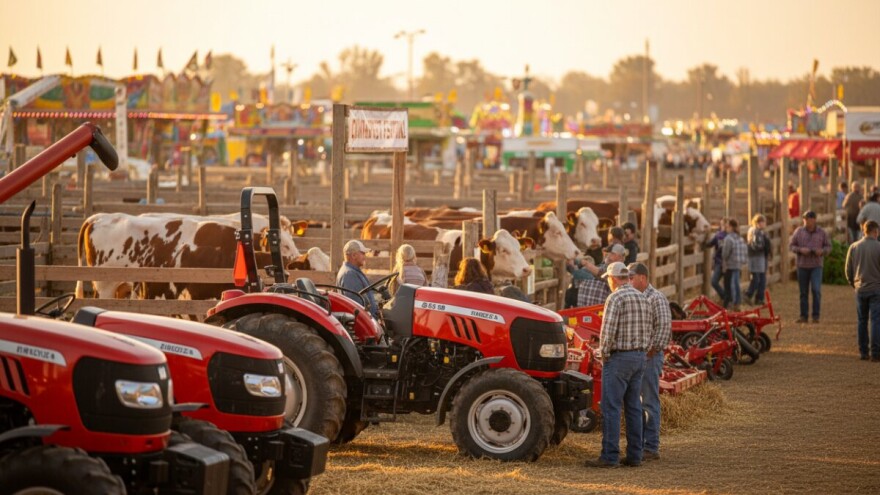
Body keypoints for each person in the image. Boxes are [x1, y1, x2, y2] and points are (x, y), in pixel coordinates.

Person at [584, 262, 651, 469]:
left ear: (613, 278)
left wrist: (603, 355)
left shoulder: (615, 298)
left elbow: (608, 331)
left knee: (611, 407)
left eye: (609, 280)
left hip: (619, 358)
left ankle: (610, 455)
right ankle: (635, 455)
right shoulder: (643, 297)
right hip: (639, 357)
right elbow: (649, 328)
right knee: (633, 407)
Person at [627, 262, 671, 462]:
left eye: (631, 277)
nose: (629, 281)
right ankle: (644, 443)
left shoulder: (656, 298)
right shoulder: (638, 297)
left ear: (642, 278)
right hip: (641, 355)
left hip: (650, 356)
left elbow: (663, 329)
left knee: (649, 399)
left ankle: (651, 446)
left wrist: (650, 352)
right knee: (639, 400)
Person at [845, 220, 880, 361]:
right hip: (876, 288)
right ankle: (876, 352)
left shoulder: (854, 247)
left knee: (862, 320)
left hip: (860, 289)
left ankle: (863, 352)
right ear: (875, 231)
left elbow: (848, 270)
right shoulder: (879, 247)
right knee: (876, 320)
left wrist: (854, 284)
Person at [789, 211, 832, 323]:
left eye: (808, 219)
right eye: (805, 219)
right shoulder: (798, 231)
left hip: (816, 266)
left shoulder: (822, 232)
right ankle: (803, 316)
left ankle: (816, 316)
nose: (806, 222)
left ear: (814, 220)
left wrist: (821, 251)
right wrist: (800, 250)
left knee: (816, 290)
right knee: (803, 292)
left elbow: (828, 247)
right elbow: (792, 245)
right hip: (802, 265)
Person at [336, 239, 380, 318]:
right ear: (354, 256)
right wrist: (373, 318)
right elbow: (357, 305)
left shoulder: (352, 271)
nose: (365, 256)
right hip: (365, 321)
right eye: (362, 253)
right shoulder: (350, 275)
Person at [745, 214, 771, 305]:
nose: (764, 224)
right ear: (758, 223)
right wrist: (765, 247)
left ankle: (758, 297)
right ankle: (749, 295)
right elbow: (757, 245)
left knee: (761, 278)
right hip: (757, 257)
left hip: (759, 257)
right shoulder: (756, 231)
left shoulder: (759, 231)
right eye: (763, 222)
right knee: (757, 278)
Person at [721, 218, 748, 310]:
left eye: (727, 226)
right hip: (738, 264)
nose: (726, 228)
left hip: (731, 265)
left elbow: (725, 253)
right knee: (736, 283)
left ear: (731, 227)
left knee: (730, 285)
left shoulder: (728, 239)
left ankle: (730, 303)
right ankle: (737, 302)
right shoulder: (740, 238)